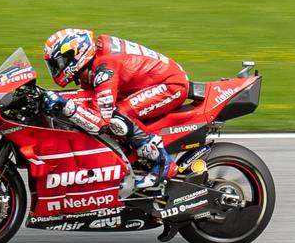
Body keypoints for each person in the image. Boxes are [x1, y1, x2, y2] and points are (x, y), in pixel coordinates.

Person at [40, 28, 187, 190]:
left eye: (58, 63)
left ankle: (162, 162)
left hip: (170, 85)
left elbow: (100, 122)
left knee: (117, 116)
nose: (56, 69)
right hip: (150, 80)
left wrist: (65, 105)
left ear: (75, 55)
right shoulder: (93, 63)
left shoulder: (105, 70)